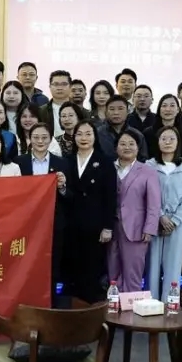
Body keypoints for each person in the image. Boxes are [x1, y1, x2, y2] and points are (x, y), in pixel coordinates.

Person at [63, 120, 116, 302]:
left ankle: (91, 310)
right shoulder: (67, 160)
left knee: (92, 269)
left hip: (95, 225)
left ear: (95, 137)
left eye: (88, 134)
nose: (83, 138)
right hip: (71, 224)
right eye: (79, 134)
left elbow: (110, 196)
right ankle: (73, 309)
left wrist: (108, 226)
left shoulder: (105, 162)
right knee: (72, 269)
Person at [16, 122, 69, 300]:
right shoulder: (19, 163)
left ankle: (50, 302)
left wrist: (62, 187)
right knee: (25, 263)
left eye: (44, 137)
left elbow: (71, 196)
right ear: (29, 139)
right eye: (36, 137)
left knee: (52, 264)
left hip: (53, 223)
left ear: (50, 139)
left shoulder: (61, 163)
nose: (40, 141)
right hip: (26, 224)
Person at [108, 130, 161, 296]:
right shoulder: (108, 168)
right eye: (123, 144)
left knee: (133, 274)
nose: (127, 147)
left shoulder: (147, 171)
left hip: (136, 229)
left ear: (138, 148)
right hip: (110, 228)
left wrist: (149, 229)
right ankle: (114, 307)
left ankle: (131, 309)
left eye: (132, 144)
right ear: (116, 147)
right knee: (112, 273)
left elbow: (154, 203)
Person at [145, 126, 182, 301]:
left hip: (178, 224)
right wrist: (160, 216)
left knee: (174, 267)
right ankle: (151, 304)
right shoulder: (149, 165)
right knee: (152, 267)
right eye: (163, 138)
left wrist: (173, 221)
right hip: (153, 220)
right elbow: (147, 194)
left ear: (178, 142)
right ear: (157, 142)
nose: (167, 142)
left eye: (172, 139)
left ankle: (170, 305)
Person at [146, 94, 182, 159]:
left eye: (172, 106)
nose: (168, 109)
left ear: (178, 110)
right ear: (159, 110)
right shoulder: (148, 133)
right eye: (164, 106)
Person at [97, 96, 149, 161]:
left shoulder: (137, 135)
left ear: (127, 111)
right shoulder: (97, 134)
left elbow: (143, 160)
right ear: (106, 112)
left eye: (120, 109)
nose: (116, 113)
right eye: (112, 109)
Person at [38, 70, 73, 135]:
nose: (59, 88)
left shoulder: (81, 111)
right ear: (50, 87)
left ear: (70, 87)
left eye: (64, 84)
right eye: (56, 84)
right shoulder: (41, 111)